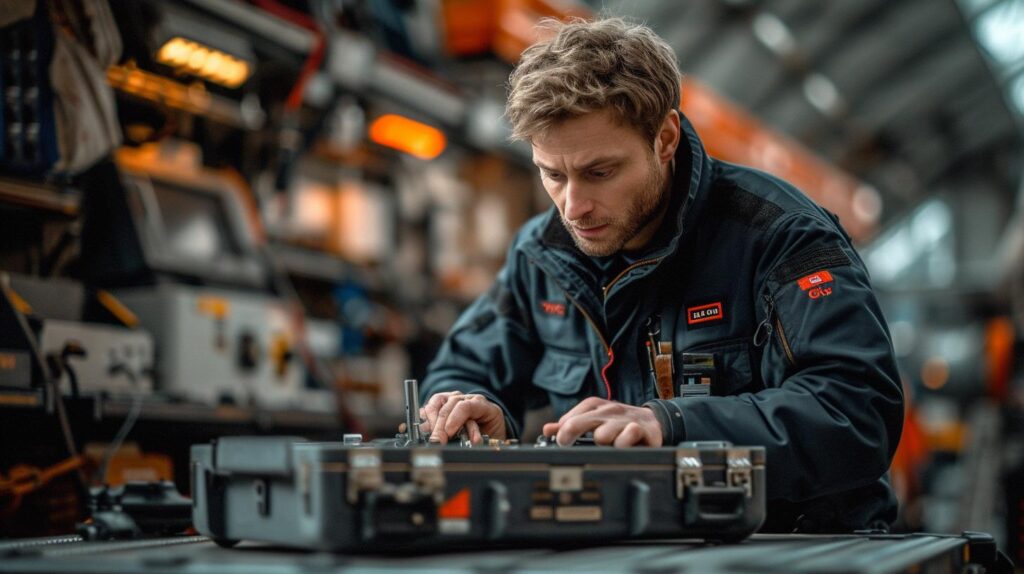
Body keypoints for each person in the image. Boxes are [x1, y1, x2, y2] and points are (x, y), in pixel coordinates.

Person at [418, 17, 904, 533]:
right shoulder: (542, 255)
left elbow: (856, 410)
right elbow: (463, 368)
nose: (573, 207)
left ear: (665, 138)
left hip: (797, 548)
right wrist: (472, 409)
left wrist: (672, 425)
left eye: (600, 172)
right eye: (553, 175)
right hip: (627, 547)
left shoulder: (781, 237)